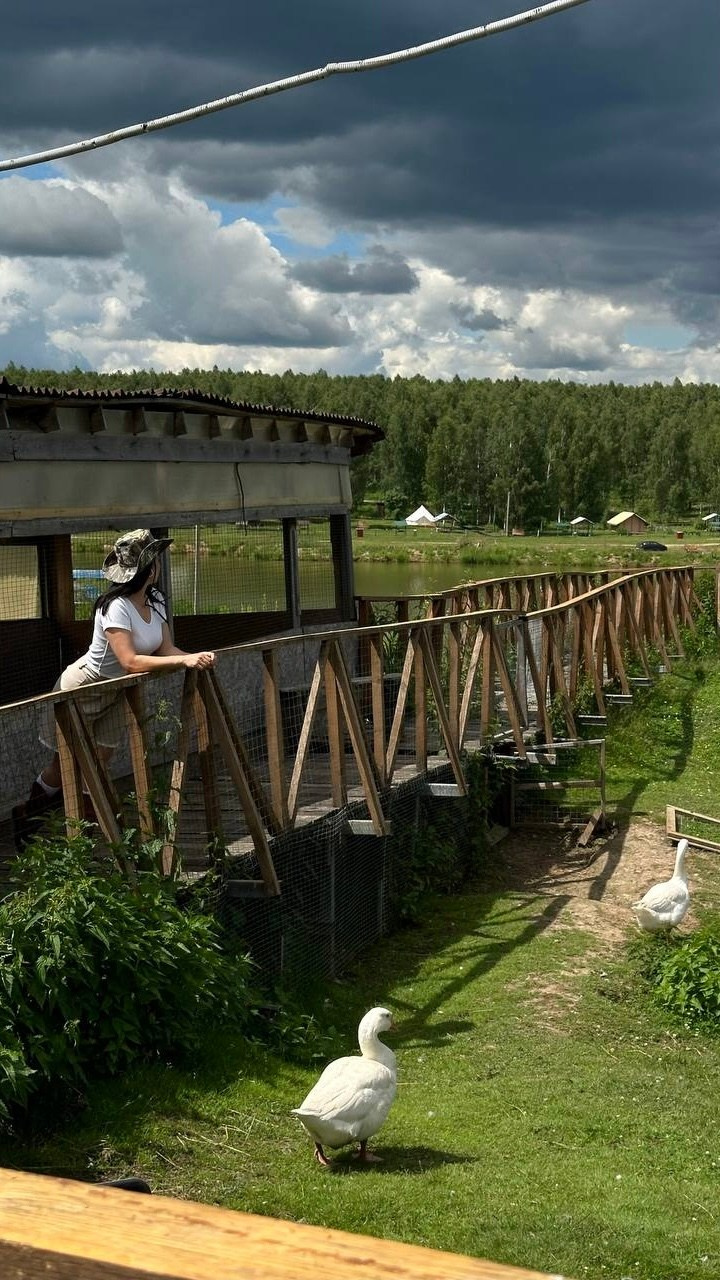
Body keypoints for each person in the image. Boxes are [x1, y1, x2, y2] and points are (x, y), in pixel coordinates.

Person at [14, 529, 215, 848]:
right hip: (83, 688)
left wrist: (194, 657)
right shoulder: (114, 606)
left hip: (118, 690)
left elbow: (165, 649)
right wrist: (185, 663)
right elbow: (130, 661)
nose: (159, 566)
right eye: (156, 561)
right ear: (150, 569)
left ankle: (87, 835)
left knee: (100, 760)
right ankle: (28, 818)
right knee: (65, 763)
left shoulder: (156, 600)